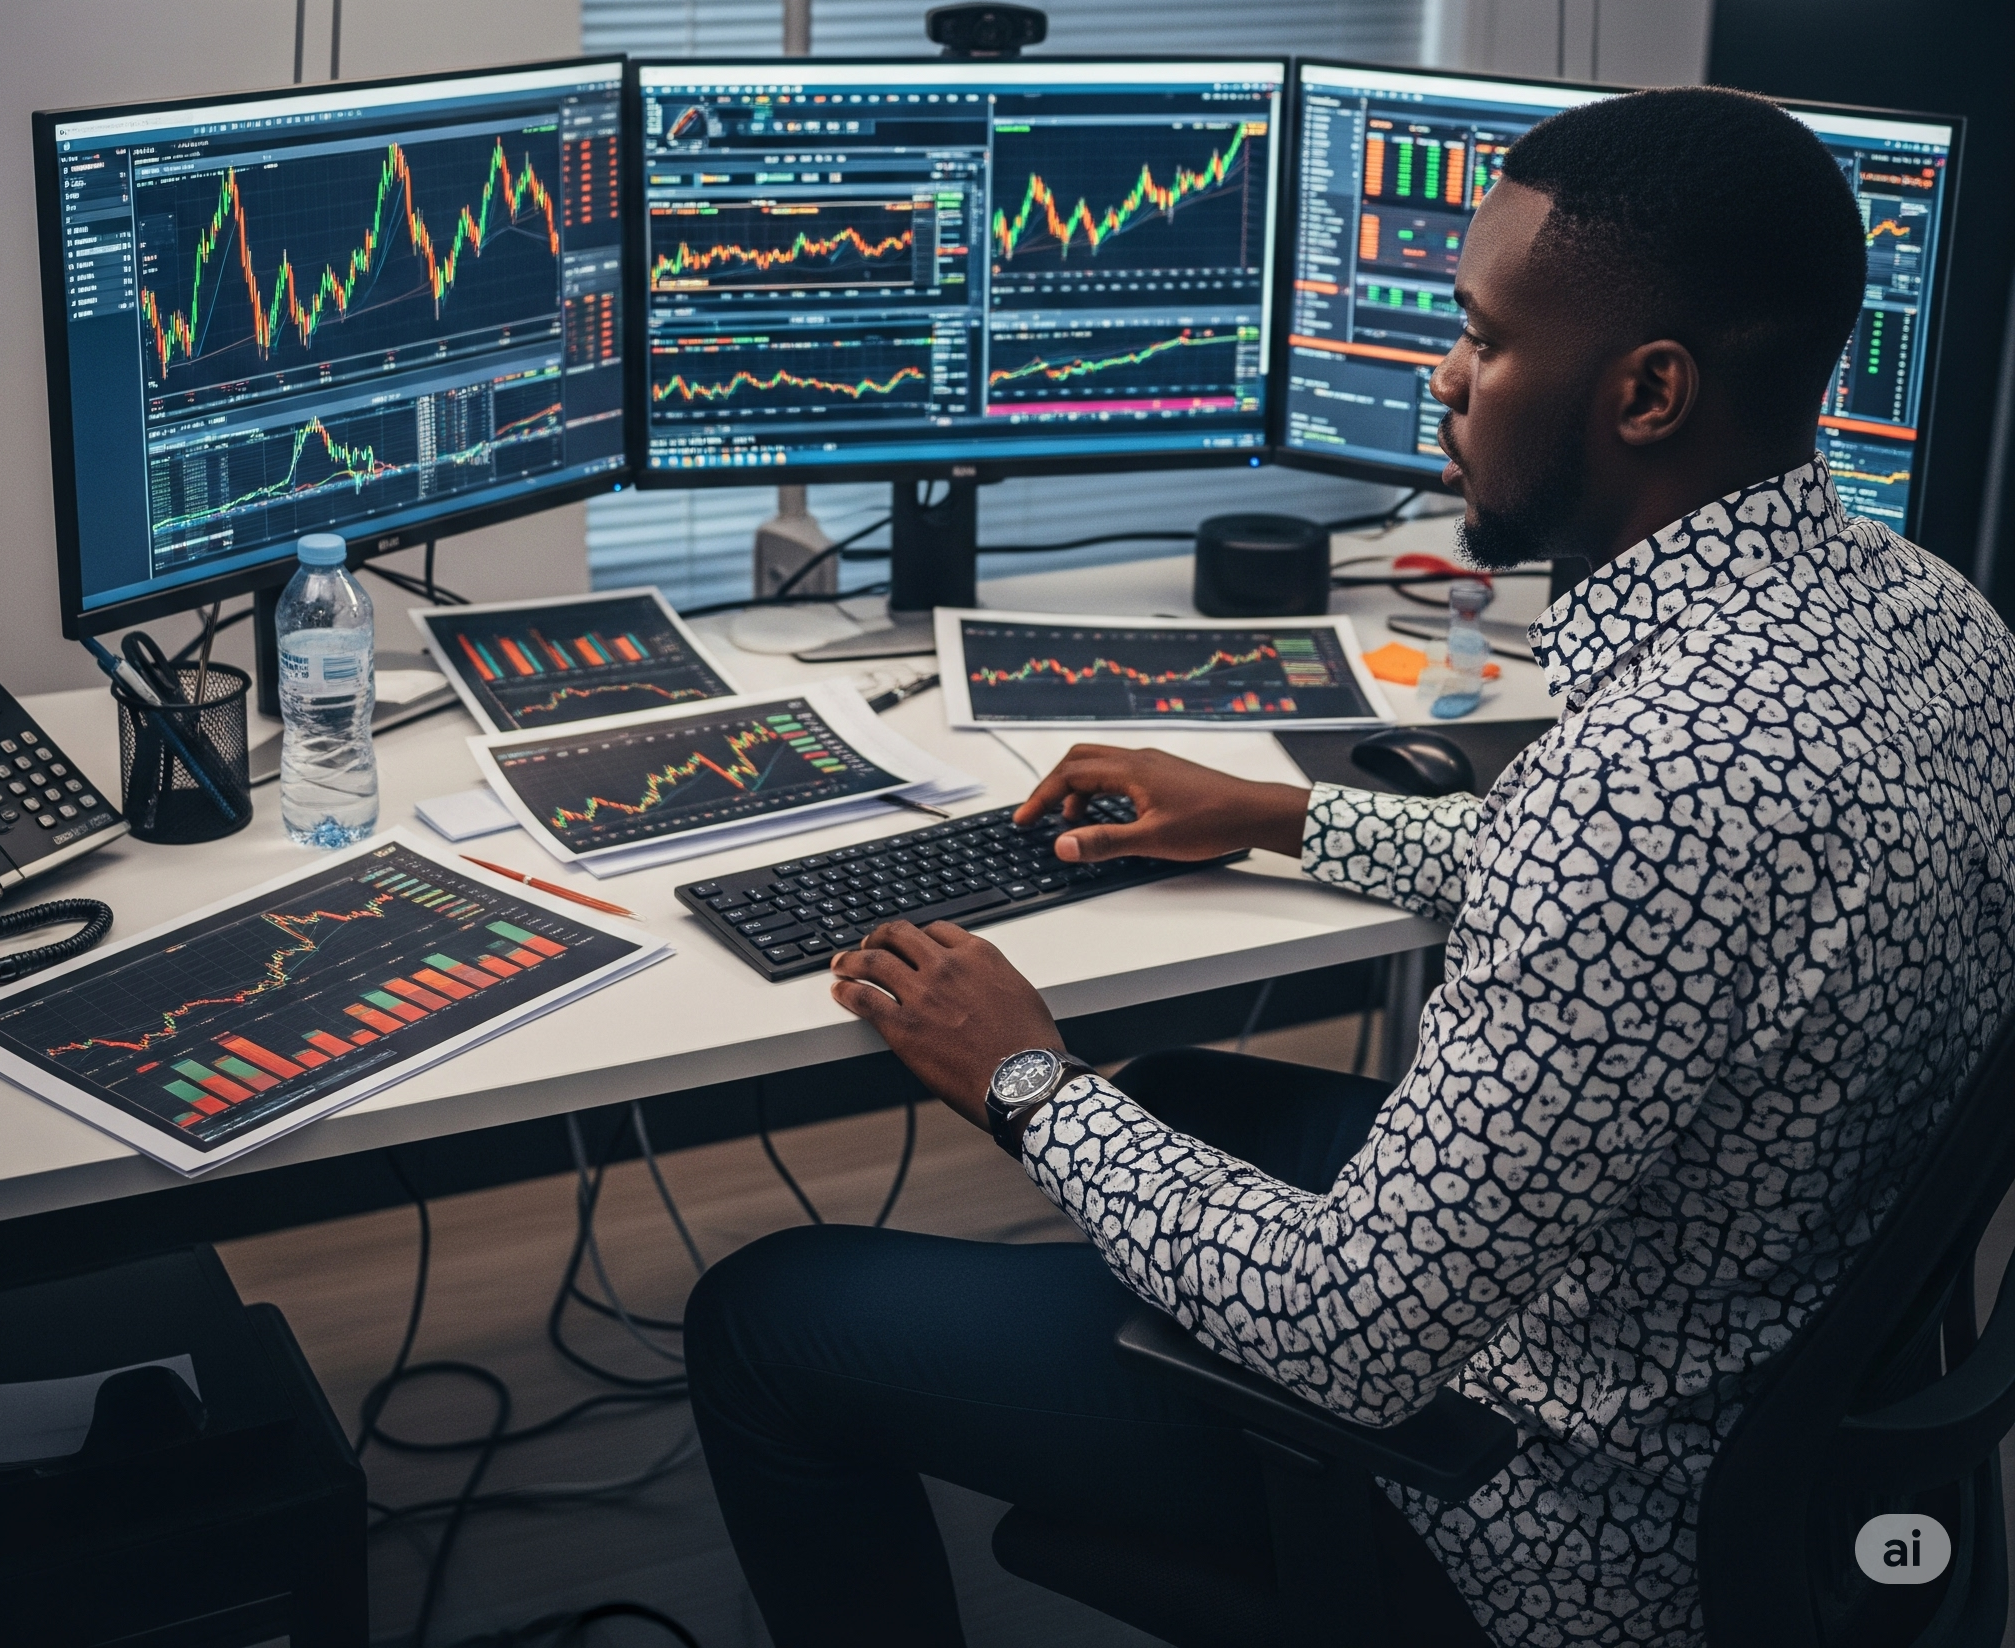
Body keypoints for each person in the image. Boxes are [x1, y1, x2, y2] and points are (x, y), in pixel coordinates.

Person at [683, 87, 2015, 1647]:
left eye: (1485, 338)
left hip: (1542, 1496)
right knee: (1181, 1091)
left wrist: (1024, 1077)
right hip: (1750, 1370)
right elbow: (1670, 909)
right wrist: (1277, 816)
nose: (1444, 378)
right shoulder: (1935, 618)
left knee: (763, 1317)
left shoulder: (1654, 786)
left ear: (1647, 391)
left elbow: (1350, 1336)